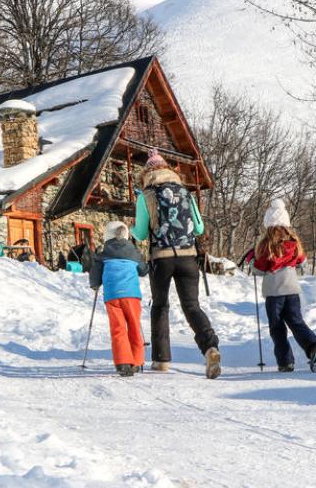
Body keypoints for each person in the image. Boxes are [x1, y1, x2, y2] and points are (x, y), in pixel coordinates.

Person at [131, 149, 221, 379]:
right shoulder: (186, 193)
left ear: (147, 173)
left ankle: (161, 360)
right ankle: (210, 347)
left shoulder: (146, 195)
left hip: (161, 258)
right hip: (188, 257)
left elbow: (141, 234)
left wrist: (131, 228)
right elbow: (199, 228)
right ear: (168, 171)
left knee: (160, 306)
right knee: (191, 306)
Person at [246, 200, 316, 372]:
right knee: (297, 322)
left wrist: (250, 259)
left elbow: (259, 270)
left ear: (268, 225)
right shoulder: (295, 243)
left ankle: (286, 362)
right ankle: (314, 346)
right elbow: (302, 263)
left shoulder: (266, 246)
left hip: (274, 293)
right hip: (292, 291)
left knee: (277, 328)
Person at [89, 221, 149, 376]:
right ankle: (136, 361)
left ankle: (123, 363)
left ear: (107, 235)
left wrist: (95, 284)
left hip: (113, 296)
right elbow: (143, 271)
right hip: (132, 296)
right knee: (134, 327)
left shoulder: (103, 254)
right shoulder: (134, 252)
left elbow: (95, 271)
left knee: (118, 329)